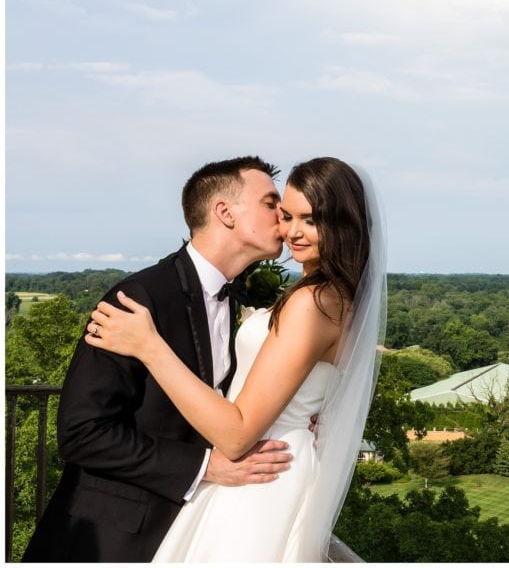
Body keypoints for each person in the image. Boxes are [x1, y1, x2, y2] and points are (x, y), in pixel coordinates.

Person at [82, 157, 386, 561]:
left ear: (343, 224)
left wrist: (149, 347)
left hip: (261, 471)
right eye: (286, 215)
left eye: (310, 220)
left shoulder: (313, 304)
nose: (291, 231)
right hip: (278, 461)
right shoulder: (335, 297)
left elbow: (238, 433)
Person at [23, 156, 296, 563]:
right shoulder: (136, 301)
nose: (283, 214)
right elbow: (82, 432)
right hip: (109, 539)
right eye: (271, 202)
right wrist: (205, 466)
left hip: (187, 533)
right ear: (224, 212)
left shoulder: (239, 297)